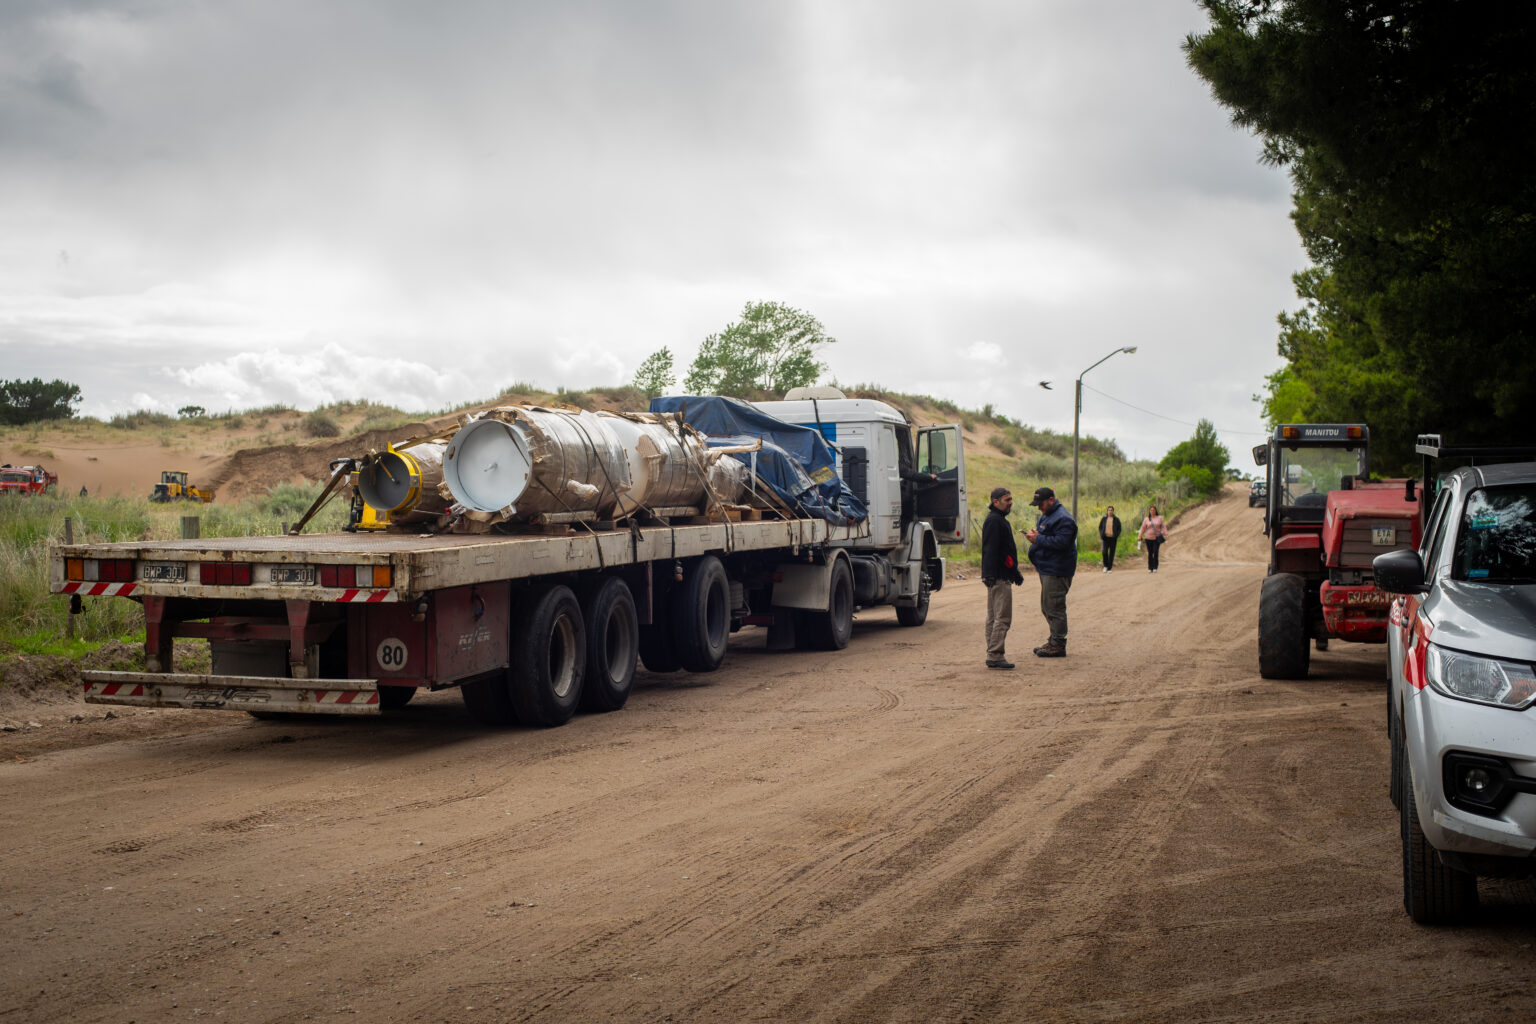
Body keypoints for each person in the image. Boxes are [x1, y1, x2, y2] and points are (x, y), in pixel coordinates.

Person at [1024, 486, 1077, 657]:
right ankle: (1054, 640)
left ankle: (1058, 644)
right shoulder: (1048, 515)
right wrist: (1037, 534)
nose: (1039, 507)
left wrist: (1038, 538)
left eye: (1041, 504)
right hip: (1048, 567)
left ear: (1051, 500)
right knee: (1047, 606)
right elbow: (1050, 535)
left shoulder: (1064, 519)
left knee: (1054, 606)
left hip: (1057, 569)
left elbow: (1062, 543)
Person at [980, 486, 1024, 669]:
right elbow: (991, 550)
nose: (1010, 503)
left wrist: (1015, 573)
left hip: (998, 575)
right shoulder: (994, 521)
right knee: (1002, 618)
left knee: (993, 617)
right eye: (1007, 500)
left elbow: (1002, 552)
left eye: (1011, 499)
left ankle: (993, 652)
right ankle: (995, 655)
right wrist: (990, 574)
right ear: (995, 502)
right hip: (998, 577)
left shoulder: (998, 520)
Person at [1138, 504, 1169, 573]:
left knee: (1155, 552)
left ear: (1155, 511)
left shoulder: (1159, 518)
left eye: (1153, 510)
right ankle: (1150, 567)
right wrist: (1139, 536)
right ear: (1149, 511)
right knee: (1150, 553)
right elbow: (1142, 528)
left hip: (1156, 538)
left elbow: (1163, 527)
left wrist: (1166, 534)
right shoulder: (1146, 519)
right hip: (1148, 538)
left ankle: (1155, 567)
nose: (1152, 511)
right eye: (1151, 510)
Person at [1097, 505, 1122, 572]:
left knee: (1111, 553)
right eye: (1109, 510)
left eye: (1111, 510)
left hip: (1113, 539)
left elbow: (1119, 528)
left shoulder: (1116, 519)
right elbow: (1100, 527)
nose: (1110, 511)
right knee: (1104, 552)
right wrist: (1102, 534)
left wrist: (1116, 535)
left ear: (1113, 511)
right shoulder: (1104, 518)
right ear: (1107, 511)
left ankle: (1109, 568)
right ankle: (1105, 566)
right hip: (1105, 538)